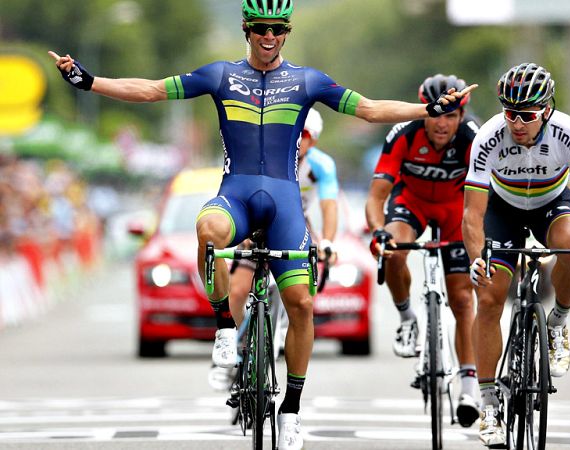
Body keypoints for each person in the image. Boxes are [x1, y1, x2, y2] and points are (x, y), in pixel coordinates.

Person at [48, 1, 475, 448]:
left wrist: (427, 110)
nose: (268, 36)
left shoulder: (307, 80)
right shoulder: (219, 75)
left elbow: (368, 109)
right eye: (260, 28)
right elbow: (152, 90)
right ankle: (225, 328)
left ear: (286, 32)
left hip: (286, 204)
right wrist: (90, 81)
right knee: (208, 230)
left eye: (277, 28)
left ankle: (291, 410)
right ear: (247, 30)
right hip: (236, 195)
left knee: (302, 305)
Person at [463, 62, 570, 447]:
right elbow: (472, 214)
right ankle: (490, 403)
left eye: (526, 115)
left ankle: (558, 323)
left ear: (546, 109)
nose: (516, 122)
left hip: (550, 202)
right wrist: (479, 258)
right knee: (490, 299)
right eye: (509, 113)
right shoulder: (489, 137)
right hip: (503, 208)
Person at [365, 74, 481, 427]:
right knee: (395, 249)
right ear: (424, 111)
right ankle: (406, 319)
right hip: (410, 203)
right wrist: (378, 232)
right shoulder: (403, 133)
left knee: (462, 298)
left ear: (462, 115)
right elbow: (376, 196)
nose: (442, 123)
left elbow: (485, 198)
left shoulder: (473, 138)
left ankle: (469, 384)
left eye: (451, 115)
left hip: (455, 211)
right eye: (435, 114)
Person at [209, 107, 338, 388]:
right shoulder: (267, 158)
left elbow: (330, 206)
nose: (295, 140)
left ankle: (283, 328)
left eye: (302, 135)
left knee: (302, 290)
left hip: (295, 224)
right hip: (257, 223)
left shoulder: (321, 166)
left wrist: (328, 242)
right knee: (239, 289)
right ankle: (235, 348)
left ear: (312, 140)